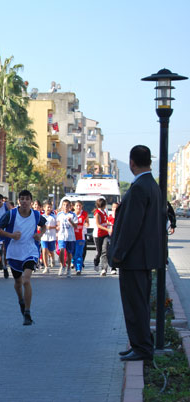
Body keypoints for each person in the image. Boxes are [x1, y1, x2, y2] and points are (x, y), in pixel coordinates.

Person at [109, 145, 164, 362]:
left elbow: (131, 226)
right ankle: (141, 344)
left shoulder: (140, 187)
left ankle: (141, 347)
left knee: (134, 306)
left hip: (134, 258)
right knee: (139, 304)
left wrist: (118, 254)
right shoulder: (152, 185)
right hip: (145, 256)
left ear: (132, 163)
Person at [0, 189, 46, 325]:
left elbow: (44, 225)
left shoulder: (35, 215)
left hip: (30, 251)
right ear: (18, 201)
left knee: (26, 280)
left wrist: (39, 235)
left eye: (27, 199)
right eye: (21, 198)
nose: (24, 201)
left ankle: (27, 312)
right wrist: (11, 236)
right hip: (14, 253)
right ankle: (21, 301)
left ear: (31, 201)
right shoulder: (11, 214)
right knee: (18, 283)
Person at [56, 200, 77, 277]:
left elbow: (76, 226)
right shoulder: (59, 214)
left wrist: (70, 221)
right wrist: (57, 227)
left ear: (70, 206)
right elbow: (57, 224)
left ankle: (68, 268)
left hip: (70, 236)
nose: (65, 206)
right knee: (61, 250)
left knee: (69, 253)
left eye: (67, 205)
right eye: (64, 205)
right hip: (61, 236)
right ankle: (62, 266)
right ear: (62, 206)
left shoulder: (73, 215)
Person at [93, 198, 111, 276]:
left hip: (105, 234)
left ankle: (104, 269)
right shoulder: (97, 213)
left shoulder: (104, 212)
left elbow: (104, 222)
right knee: (99, 252)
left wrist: (109, 224)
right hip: (98, 234)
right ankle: (96, 262)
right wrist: (108, 229)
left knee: (105, 251)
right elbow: (98, 225)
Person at [40, 201, 57, 274]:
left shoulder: (54, 216)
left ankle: (52, 258)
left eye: (50, 207)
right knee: (44, 251)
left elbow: (57, 226)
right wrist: (42, 228)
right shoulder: (42, 217)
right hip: (44, 237)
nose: (49, 208)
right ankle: (46, 267)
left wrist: (51, 227)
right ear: (44, 208)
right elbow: (38, 227)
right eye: (47, 207)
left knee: (51, 251)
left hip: (52, 237)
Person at [73, 201, 88, 275]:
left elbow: (87, 222)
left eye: (80, 206)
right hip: (71, 237)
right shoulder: (71, 215)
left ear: (82, 206)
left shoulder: (84, 214)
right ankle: (73, 262)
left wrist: (86, 224)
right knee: (72, 253)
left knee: (78, 253)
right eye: (77, 206)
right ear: (74, 207)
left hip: (80, 237)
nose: (78, 207)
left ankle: (78, 269)